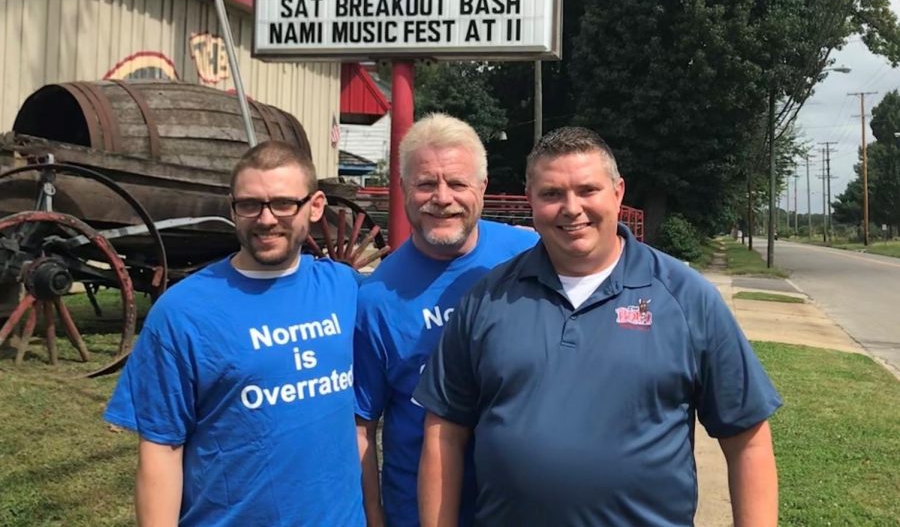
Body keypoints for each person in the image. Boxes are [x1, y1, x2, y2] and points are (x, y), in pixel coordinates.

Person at [414, 127, 781, 527]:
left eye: (588, 190)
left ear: (618, 193)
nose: (572, 208)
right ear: (530, 201)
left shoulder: (686, 297)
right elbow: (444, 433)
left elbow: (748, 441)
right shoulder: (488, 299)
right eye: (552, 194)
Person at [104, 140, 364, 526]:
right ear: (232, 208)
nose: (265, 218)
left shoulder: (345, 288)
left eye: (282, 203)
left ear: (315, 206)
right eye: (250, 204)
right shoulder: (183, 311)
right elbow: (161, 449)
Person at [354, 114, 538, 527]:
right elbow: (363, 425)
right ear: (402, 190)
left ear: (482, 188)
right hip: (420, 512)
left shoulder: (529, 255)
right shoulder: (376, 299)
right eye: (425, 183)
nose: (442, 197)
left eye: (457, 183)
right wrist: (375, 518)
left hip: (520, 506)